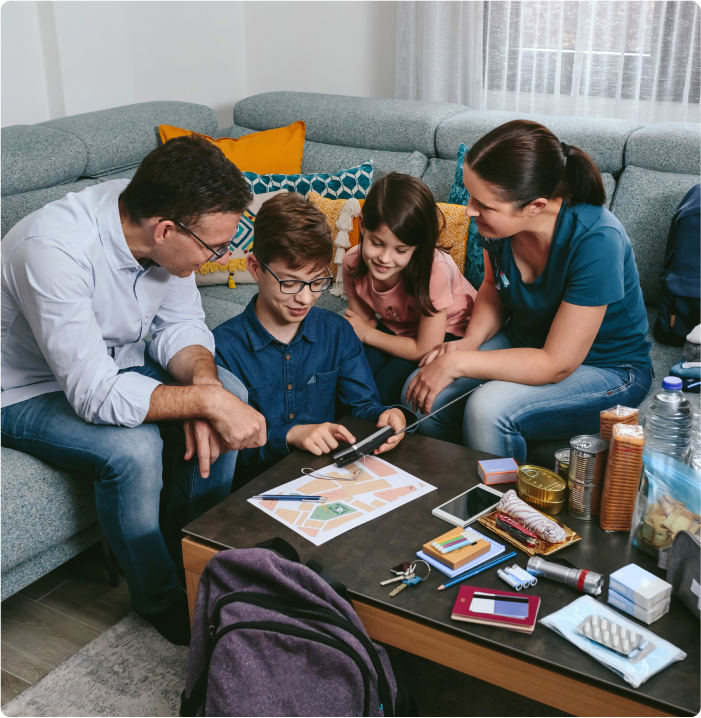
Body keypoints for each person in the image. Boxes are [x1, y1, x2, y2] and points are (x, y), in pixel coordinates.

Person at [0, 135, 266, 645]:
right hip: (24, 389)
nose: (220, 257)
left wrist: (206, 387)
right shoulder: (54, 250)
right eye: (214, 247)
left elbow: (180, 325)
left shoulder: (157, 222)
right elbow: (93, 394)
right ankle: (161, 598)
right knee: (135, 450)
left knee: (230, 387)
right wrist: (204, 402)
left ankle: (193, 558)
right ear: (166, 230)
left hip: (115, 362)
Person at [403, 120, 653, 460]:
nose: (469, 210)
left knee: (488, 409)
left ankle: (499, 509)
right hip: (527, 340)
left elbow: (555, 363)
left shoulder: (597, 239)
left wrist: (460, 363)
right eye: (472, 197)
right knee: (419, 392)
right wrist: (469, 343)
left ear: (534, 206)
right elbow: (493, 286)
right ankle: (452, 486)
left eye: (484, 204)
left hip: (608, 368)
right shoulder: (496, 226)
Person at [213, 192, 412, 480]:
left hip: (329, 481)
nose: (305, 298)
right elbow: (224, 449)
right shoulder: (221, 350)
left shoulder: (337, 332)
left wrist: (389, 416)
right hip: (253, 493)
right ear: (255, 268)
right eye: (290, 283)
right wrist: (290, 435)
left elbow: (363, 407)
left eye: (317, 280)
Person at [342, 173, 477, 405]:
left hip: (447, 333)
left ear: (417, 246)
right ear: (362, 225)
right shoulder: (352, 262)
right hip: (397, 328)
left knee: (384, 392)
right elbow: (360, 325)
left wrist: (367, 333)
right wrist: (365, 333)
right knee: (347, 381)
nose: (385, 258)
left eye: (401, 250)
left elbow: (424, 347)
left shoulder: (436, 271)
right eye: (377, 243)